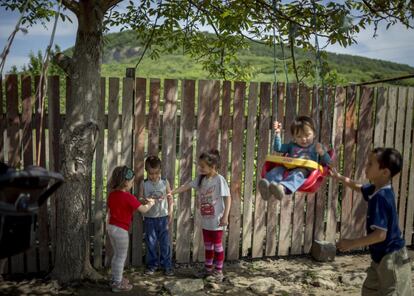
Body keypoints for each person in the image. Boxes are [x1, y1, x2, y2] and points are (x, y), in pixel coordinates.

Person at [330, 147, 412, 295]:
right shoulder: (377, 189)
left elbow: (380, 235)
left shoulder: (381, 197)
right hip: (380, 258)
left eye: (370, 164)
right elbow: (359, 187)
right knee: (369, 291)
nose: (365, 166)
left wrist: (351, 243)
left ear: (385, 172)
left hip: (392, 259)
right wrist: (340, 177)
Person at [169, 149, 231, 282]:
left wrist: (225, 216)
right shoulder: (201, 179)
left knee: (217, 245)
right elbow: (187, 186)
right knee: (208, 245)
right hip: (206, 219)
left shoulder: (220, 180)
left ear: (213, 166)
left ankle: (218, 271)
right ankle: (208, 269)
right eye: (199, 166)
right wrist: (172, 192)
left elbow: (228, 198)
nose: (200, 168)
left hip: (217, 220)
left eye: (202, 166)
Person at [258, 115, 331, 200]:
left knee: (298, 174)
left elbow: (327, 162)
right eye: (299, 136)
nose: (303, 139)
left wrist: (322, 152)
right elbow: (278, 148)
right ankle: (266, 187)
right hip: (288, 168)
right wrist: (277, 134)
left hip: (305, 171)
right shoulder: (291, 145)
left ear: (314, 134)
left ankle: (282, 188)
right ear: (294, 137)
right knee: (277, 170)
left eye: (307, 135)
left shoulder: (316, 147)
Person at [107, 165, 155, 292]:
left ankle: (115, 277)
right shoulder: (128, 197)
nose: (133, 184)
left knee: (117, 255)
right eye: (132, 181)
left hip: (111, 227)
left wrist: (141, 202)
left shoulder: (112, 195)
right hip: (121, 231)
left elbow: (117, 209)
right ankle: (117, 284)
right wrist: (150, 203)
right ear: (126, 182)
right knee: (121, 256)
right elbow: (143, 210)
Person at [139, 155, 174, 276]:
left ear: (160, 171)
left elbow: (170, 198)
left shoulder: (165, 182)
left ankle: (167, 265)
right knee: (151, 242)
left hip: (163, 217)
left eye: (156, 173)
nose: (153, 176)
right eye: (151, 173)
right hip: (149, 218)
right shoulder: (144, 184)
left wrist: (170, 211)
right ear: (147, 172)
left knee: (165, 243)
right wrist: (145, 200)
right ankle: (152, 265)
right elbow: (140, 198)